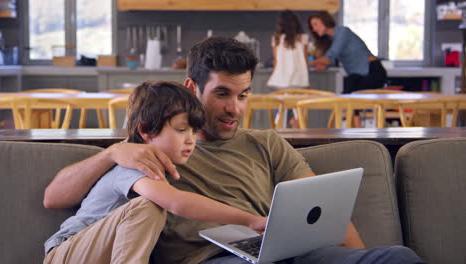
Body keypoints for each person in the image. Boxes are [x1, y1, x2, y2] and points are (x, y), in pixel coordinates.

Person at [44, 37, 424, 264]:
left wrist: (356, 259)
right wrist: (111, 153)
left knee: (397, 257)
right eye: (222, 94)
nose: (235, 109)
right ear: (192, 88)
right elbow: (56, 195)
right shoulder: (153, 149)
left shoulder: (267, 143)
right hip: (214, 258)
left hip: (286, 253)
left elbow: (322, 213)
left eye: (243, 95)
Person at [43, 81, 266, 263]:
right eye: (181, 130)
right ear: (146, 131)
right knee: (149, 207)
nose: (191, 140)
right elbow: (178, 202)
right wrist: (250, 220)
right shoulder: (133, 165)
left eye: (194, 131)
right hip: (66, 253)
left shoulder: (164, 168)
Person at [308, 11, 387, 94]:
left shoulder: (343, 32)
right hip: (359, 75)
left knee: (348, 98)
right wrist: (321, 64)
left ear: (324, 20)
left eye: (315, 24)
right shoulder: (331, 39)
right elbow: (327, 60)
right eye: (312, 27)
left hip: (373, 71)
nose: (314, 29)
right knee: (348, 97)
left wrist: (306, 63)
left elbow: (329, 57)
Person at [267, 10, 310, 128]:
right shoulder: (303, 38)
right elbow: (305, 61)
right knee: (298, 114)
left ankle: (280, 137)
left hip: (279, 81)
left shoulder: (276, 38)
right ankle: (298, 139)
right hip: (299, 81)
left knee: (280, 115)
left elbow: (276, 61)